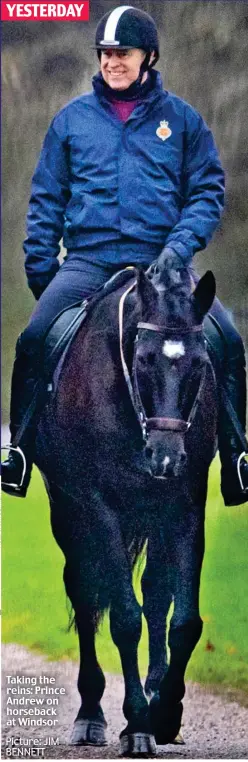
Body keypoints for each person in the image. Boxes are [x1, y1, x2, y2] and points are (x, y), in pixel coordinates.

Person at [2, 5, 248, 504]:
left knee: (228, 341)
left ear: (148, 57)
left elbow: (207, 191)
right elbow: (47, 200)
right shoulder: (70, 122)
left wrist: (178, 249)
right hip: (89, 260)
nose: (113, 62)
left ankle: (238, 457)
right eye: (106, 54)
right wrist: (41, 272)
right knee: (32, 340)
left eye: (123, 54)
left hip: (164, 265)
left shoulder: (182, 121)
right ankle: (20, 453)